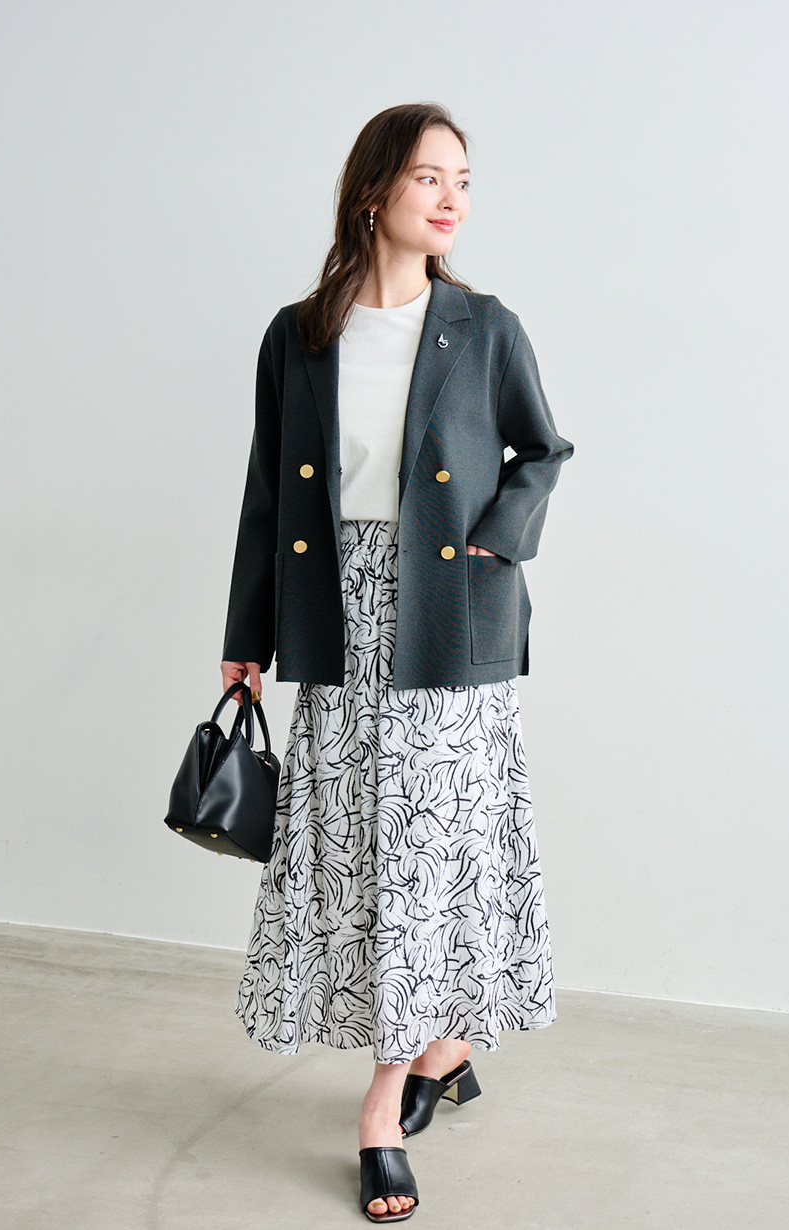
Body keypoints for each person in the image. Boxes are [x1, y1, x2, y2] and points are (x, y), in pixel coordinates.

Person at [220, 101, 573, 1223]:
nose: (453, 197)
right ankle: (445, 1048)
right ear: (374, 192)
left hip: (449, 619)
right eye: (430, 177)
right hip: (337, 617)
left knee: (426, 853)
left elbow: (543, 449)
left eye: (463, 179)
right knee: (362, 853)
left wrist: (496, 539)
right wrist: (245, 638)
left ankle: (381, 1108)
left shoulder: (485, 325)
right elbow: (269, 492)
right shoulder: (299, 335)